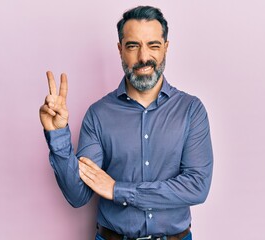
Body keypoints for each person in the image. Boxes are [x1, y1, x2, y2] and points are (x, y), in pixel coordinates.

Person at [39, 5, 213, 240]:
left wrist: (117, 190)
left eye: (153, 45)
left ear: (166, 48)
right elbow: (78, 195)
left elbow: (197, 187)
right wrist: (58, 135)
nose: (144, 57)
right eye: (133, 46)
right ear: (120, 50)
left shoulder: (191, 110)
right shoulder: (98, 115)